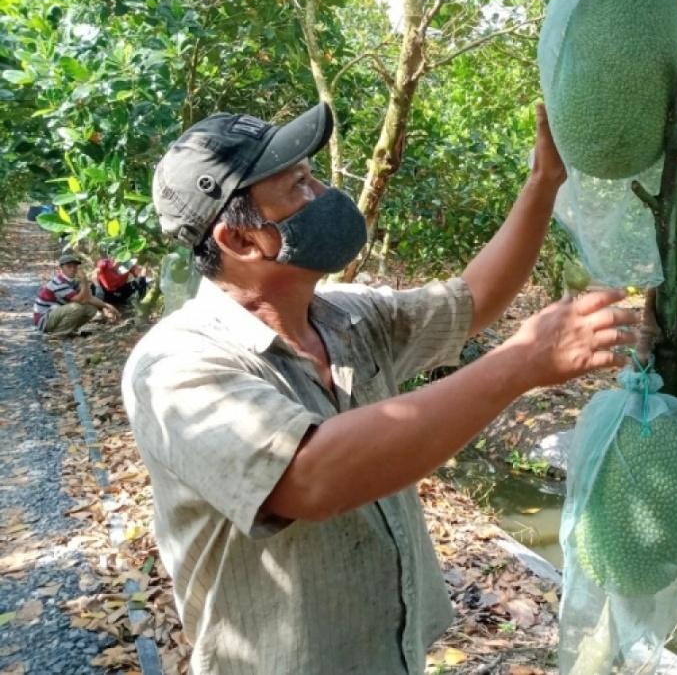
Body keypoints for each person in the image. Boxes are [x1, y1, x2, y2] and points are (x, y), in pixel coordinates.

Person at [121, 102, 639, 674]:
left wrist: (545, 180)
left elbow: (474, 299)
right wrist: (519, 363)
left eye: (312, 175)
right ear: (242, 240)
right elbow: (309, 478)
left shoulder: (348, 317)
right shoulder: (174, 366)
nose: (322, 192)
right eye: (298, 186)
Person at [33, 253, 120, 337]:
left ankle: (69, 330)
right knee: (76, 307)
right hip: (44, 320)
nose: (73, 269)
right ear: (61, 268)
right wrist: (84, 280)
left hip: (54, 314)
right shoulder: (59, 283)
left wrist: (107, 306)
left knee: (91, 309)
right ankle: (58, 334)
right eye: (69, 266)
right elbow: (80, 300)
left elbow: (88, 298)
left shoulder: (72, 281)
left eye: (75, 266)